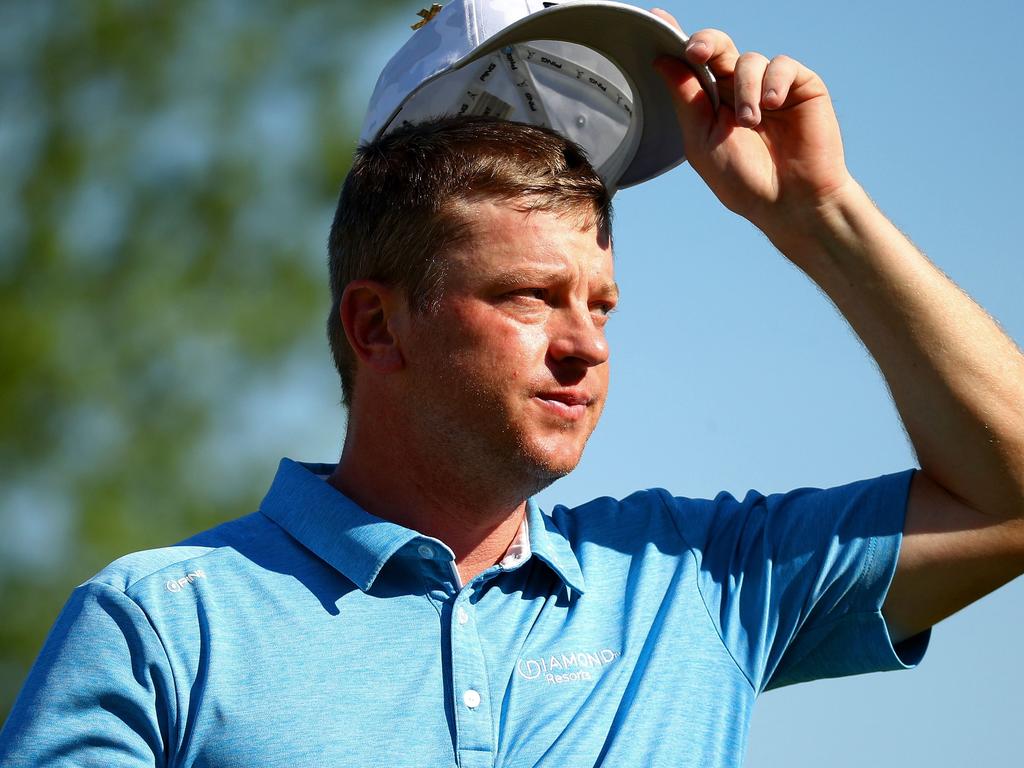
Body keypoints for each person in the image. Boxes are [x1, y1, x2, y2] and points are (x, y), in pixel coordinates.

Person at [2, 10, 1022, 767]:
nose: (586, 345)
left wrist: (820, 214)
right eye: (532, 297)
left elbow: (1008, 493)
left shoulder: (699, 580)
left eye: (604, 305)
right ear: (375, 326)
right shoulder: (161, 627)